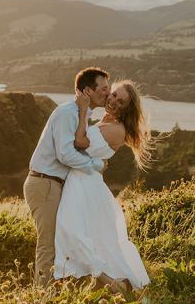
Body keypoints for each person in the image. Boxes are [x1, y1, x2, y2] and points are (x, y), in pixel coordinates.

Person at [52, 79, 153, 292]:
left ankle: (112, 283)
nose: (115, 101)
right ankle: (95, 283)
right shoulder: (105, 121)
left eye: (122, 102)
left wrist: (81, 109)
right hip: (82, 181)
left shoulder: (117, 129)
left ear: (127, 109)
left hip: (84, 185)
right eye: (114, 94)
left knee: (72, 232)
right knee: (81, 234)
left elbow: (77, 144)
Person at [24, 67, 111, 286]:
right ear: (87, 91)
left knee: (62, 241)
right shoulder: (67, 113)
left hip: (55, 184)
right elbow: (65, 154)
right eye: (103, 88)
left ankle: (56, 292)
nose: (107, 93)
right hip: (45, 183)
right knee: (48, 244)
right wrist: (96, 165)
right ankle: (41, 300)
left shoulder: (81, 114)